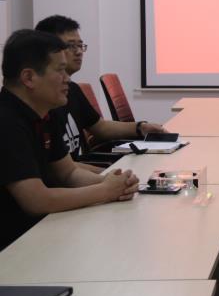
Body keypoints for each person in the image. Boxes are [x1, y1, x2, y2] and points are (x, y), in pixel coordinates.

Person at [0, 30, 140, 250]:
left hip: (44, 231)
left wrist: (113, 182)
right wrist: (106, 190)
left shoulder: (44, 113)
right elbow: (36, 201)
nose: (67, 79)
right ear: (28, 78)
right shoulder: (7, 121)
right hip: (13, 246)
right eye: (60, 71)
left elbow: (68, 173)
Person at [35, 15, 166, 172]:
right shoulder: (44, 103)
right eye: (71, 46)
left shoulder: (73, 90)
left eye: (80, 45)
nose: (79, 52)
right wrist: (110, 176)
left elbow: (100, 127)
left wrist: (140, 128)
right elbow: (63, 171)